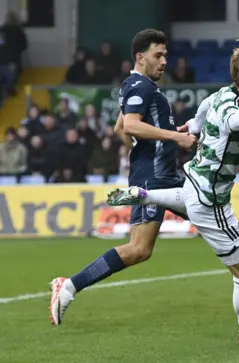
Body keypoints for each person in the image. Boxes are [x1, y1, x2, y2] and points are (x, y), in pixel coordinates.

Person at [105, 38, 239, 346]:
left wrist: (191, 127)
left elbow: (202, 112)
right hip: (211, 199)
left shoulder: (221, 95)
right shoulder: (237, 108)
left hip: (192, 183)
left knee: (188, 203)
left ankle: (146, 195)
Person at [48, 29, 198, 326]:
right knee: (140, 249)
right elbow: (129, 125)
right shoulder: (140, 86)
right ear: (140, 57)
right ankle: (68, 286)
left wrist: (161, 140)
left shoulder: (135, 86)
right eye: (159, 55)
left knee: (214, 219)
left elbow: (120, 127)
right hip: (154, 179)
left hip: (162, 174)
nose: (165, 61)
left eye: (166, 55)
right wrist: (172, 138)